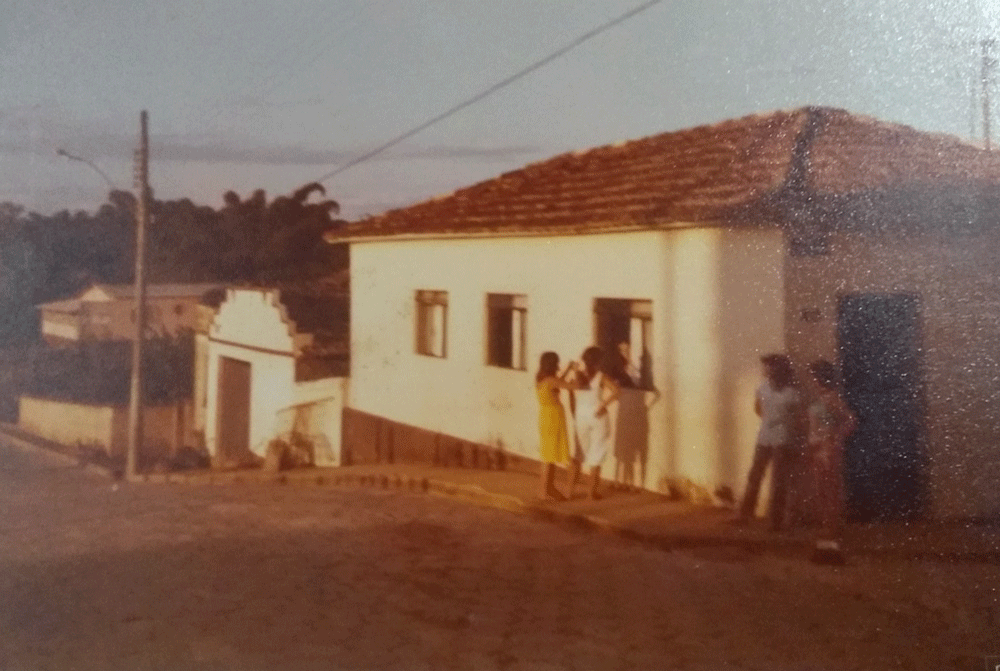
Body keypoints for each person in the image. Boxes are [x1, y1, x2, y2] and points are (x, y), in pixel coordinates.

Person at [737, 353, 803, 531]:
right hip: (765, 437)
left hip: (782, 439)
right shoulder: (762, 388)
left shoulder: (791, 392)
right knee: (755, 476)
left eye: (768, 366)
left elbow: (797, 417)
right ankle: (745, 515)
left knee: (778, 480)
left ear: (777, 369)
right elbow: (758, 409)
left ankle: (776, 521)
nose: (765, 370)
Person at [806, 359, 856, 562]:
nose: (812, 381)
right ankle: (828, 526)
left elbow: (850, 420)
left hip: (827, 448)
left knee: (830, 488)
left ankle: (831, 528)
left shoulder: (831, 399)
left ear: (820, 379)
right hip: (818, 447)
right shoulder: (821, 399)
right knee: (822, 488)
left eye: (814, 377)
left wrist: (835, 438)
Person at [568, 346, 620, 500]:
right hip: (597, 415)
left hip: (581, 416)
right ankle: (591, 493)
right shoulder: (601, 377)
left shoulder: (579, 375)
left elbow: (571, 394)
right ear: (598, 362)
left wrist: (574, 413)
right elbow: (617, 391)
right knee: (596, 454)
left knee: (578, 454)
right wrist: (603, 405)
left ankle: (569, 491)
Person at [535, 351, 577, 501]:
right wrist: (577, 372)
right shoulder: (552, 380)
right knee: (549, 456)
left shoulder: (541, 378)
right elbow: (571, 386)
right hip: (554, 418)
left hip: (545, 417)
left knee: (548, 454)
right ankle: (543, 492)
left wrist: (568, 369)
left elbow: (558, 381)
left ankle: (546, 489)